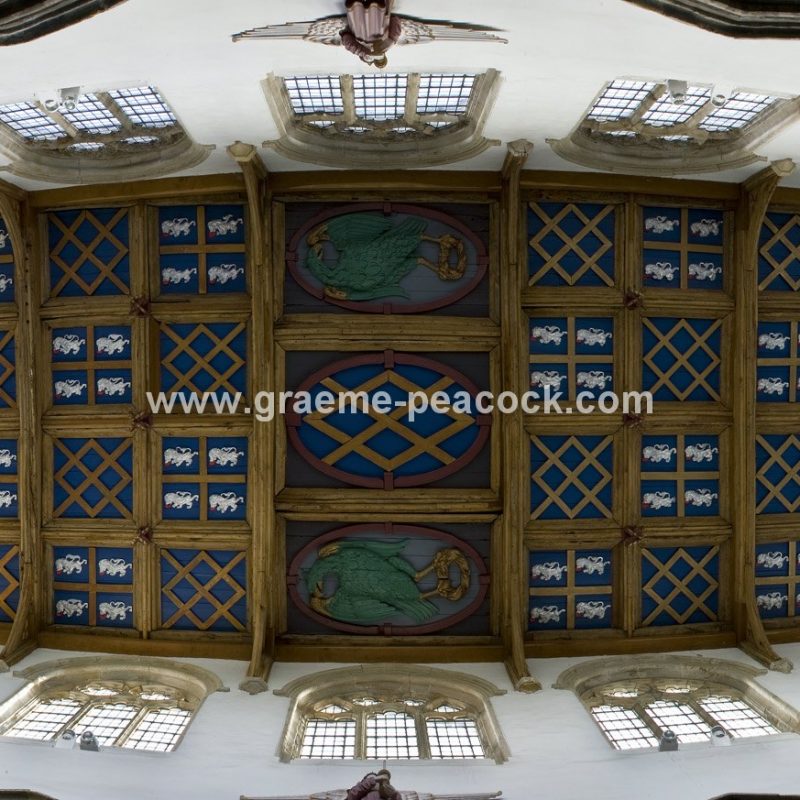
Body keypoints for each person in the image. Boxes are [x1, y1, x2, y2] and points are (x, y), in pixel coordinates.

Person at [340, 0, 402, 67]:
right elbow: (395, 25)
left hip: (360, 19)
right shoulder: (386, 45)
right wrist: (392, 40)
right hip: (378, 16)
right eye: (381, 59)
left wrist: (364, 53)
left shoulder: (361, 51)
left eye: (378, 60)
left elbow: (346, 39)